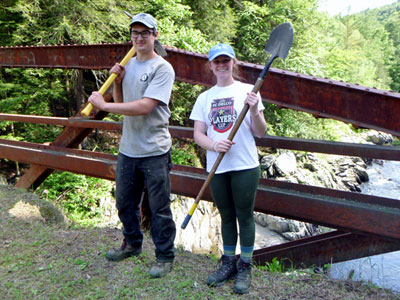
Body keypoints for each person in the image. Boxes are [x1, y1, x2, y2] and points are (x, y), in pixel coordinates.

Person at [88, 12, 176, 278]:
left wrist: (104, 105)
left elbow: (145, 106)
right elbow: (123, 101)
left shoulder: (162, 68)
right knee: (124, 202)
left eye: (145, 33)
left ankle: (164, 256)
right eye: (135, 33)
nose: (139, 38)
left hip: (155, 150)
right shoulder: (129, 65)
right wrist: (116, 80)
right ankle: (132, 244)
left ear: (155, 35)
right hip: (128, 148)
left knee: (159, 207)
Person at [189, 43, 267, 294]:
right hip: (217, 166)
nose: (221, 65)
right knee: (225, 215)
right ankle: (228, 263)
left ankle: (245, 266)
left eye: (226, 61)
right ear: (210, 66)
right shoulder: (205, 98)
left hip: (244, 165)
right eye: (217, 61)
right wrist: (214, 144)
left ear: (234, 63)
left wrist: (254, 109)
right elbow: (198, 135)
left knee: (244, 215)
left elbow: (261, 131)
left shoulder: (248, 91)